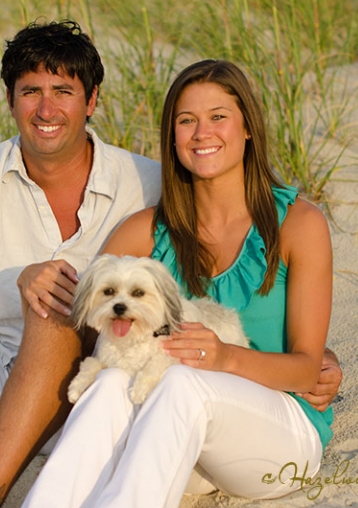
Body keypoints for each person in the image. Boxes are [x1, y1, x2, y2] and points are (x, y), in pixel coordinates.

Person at [0, 20, 340, 508]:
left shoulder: (149, 186)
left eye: (63, 91)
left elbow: (293, 352)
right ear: (10, 99)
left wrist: (295, 361)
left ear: (91, 101)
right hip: (11, 381)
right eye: (30, 91)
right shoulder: (133, 217)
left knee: (94, 336)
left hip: (155, 391)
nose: (46, 109)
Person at [20, 59, 335, 507]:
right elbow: (89, 309)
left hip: (278, 440)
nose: (202, 133)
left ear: (248, 128)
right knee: (108, 383)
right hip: (176, 441)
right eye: (186, 121)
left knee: (182, 383)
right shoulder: (145, 232)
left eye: (218, 117)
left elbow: (307, 369)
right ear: (173, 138)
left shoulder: (299, 224)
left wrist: (223, 355)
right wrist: (30, 276)